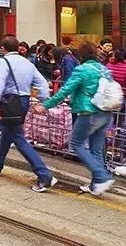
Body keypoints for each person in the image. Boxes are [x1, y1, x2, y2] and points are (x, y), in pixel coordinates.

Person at [43, 41, 116, 196]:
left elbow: (66, 90)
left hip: (88, 112)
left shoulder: (81, 70)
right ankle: (96, 186)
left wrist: (46, 105)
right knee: (96, 149)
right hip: (106, 113)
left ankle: (102, 176)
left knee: (76, 143)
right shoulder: (104, 69)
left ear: (81, 56)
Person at [0, 36, 56, 192]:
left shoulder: (4, 62)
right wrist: (44, 101)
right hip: (23, 101)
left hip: (9, 101)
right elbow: (43, 83)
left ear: (3, 49)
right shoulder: (27, 63)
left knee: (17, 137)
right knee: (7, 132)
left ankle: (44, 174)